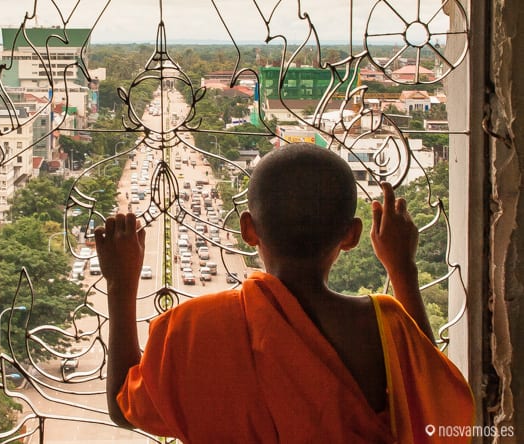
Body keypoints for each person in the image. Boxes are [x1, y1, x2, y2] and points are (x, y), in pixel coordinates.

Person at [95, 143, 474, 443]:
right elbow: (437, 406)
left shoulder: (191, 328)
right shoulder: (384, 325)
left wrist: (120, 284)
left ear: (248, 229)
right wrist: (403, 270)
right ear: (353, 236)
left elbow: (121, 407)